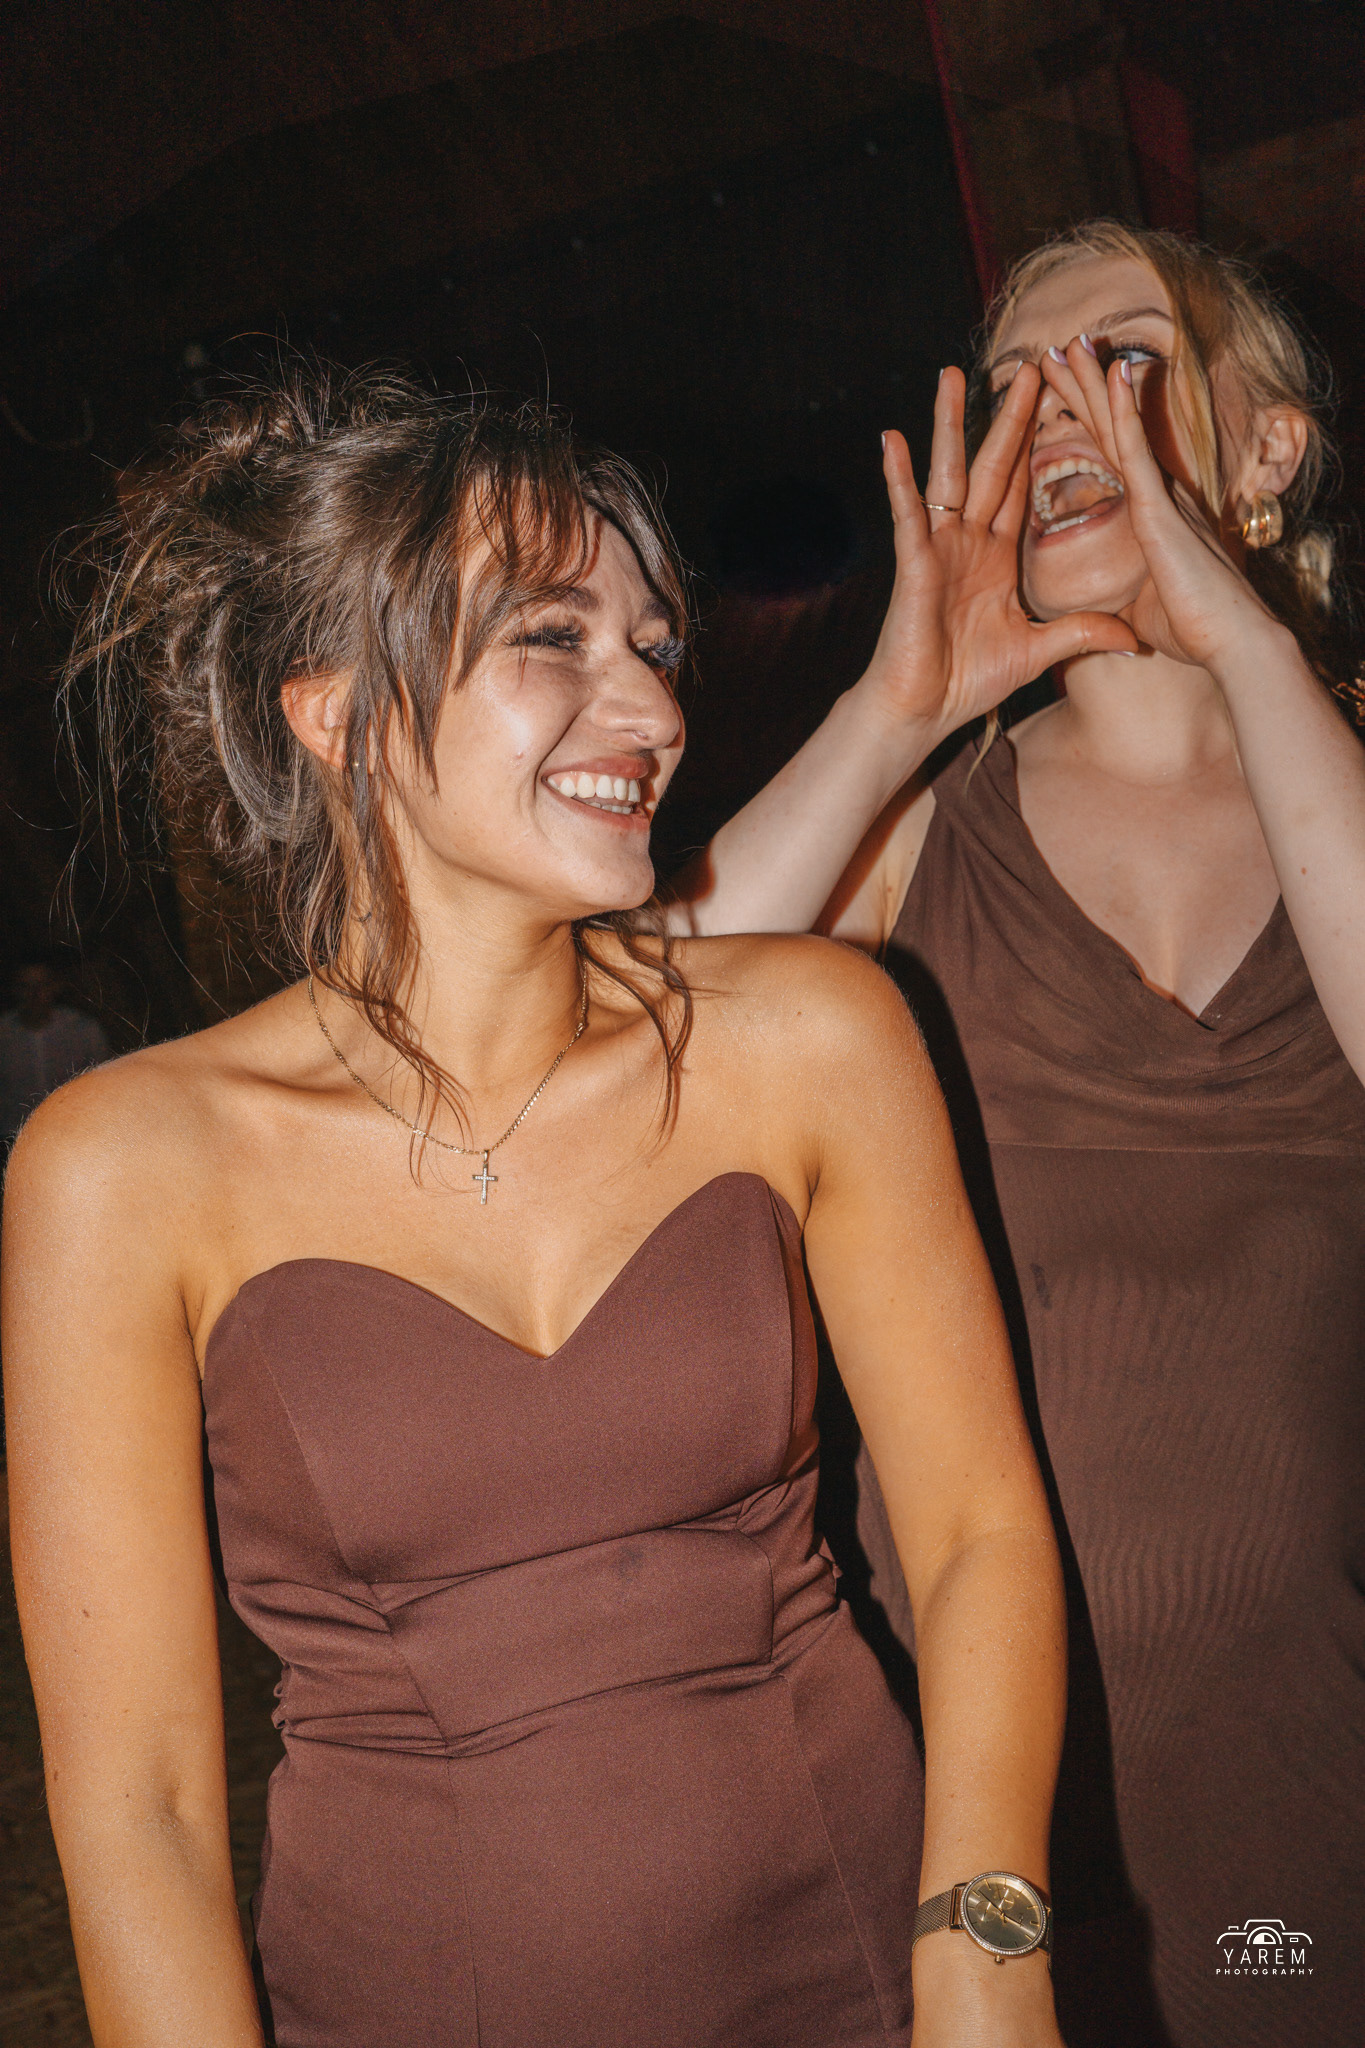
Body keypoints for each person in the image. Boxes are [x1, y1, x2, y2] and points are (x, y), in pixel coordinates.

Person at [3, 372, 1079, 2048]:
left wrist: (983, 1951)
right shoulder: (121, 1168)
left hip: (871, 1968)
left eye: (652, 643)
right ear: (340, 714)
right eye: (552, 639)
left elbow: (979, 1538)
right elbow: (140, 1807)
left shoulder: (817, 1037)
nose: (649, 707)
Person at [679, 221, 1365, 2048]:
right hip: (960, 1792)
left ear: (1273, 448)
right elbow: (620, 1047)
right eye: (1015, 388)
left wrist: (1243, 640)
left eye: (1121, 358)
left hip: (1302, 1809)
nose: (1055, 411)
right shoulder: (922, 829)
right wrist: (897, 709)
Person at [0, 961, 110, 1146]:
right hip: (14, 1136)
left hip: (74, 1131)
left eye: (42, 985)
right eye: (26, 986)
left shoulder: (82, 1029)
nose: (35, 994)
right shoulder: (4, 1034)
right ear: (14, 990)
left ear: (55, 987)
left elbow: (104, 1081)